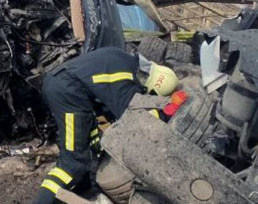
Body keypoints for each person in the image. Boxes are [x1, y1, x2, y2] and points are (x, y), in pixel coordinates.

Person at [34, 46, 179, 204]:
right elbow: (133, 122)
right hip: (67, 91)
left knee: (89, 149)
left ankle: (79, 194)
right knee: (73, 161)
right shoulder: (124, 81)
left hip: (65, 86)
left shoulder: (124, 59)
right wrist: (165, 113)